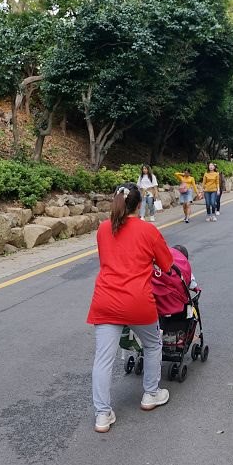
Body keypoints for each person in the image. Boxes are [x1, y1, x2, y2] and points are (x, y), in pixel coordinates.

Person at [86, 182, 174, 433]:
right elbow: (167, 265)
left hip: (105, 301)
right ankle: (151, 394)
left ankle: (102, 415)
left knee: (103, 359)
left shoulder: (104, 229)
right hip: (137, 302)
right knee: (153, 343)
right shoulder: (148, 231)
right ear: (139, 205)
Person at [151, 244, 199, 317]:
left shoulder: (159, 269)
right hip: (174, 304)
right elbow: (193, 285)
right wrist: (196, 288)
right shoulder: (184, 271)